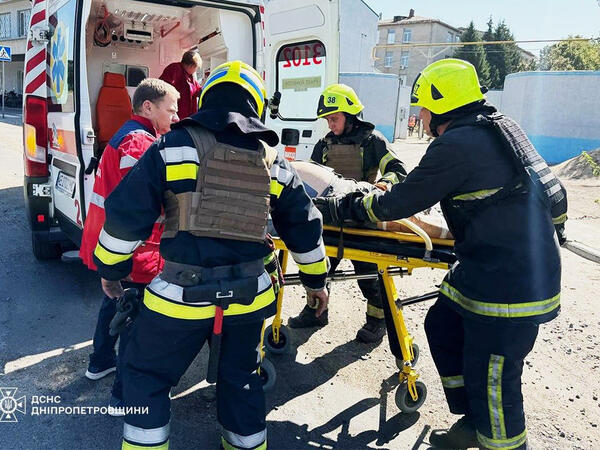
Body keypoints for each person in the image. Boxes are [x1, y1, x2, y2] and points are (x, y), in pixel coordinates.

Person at [315, 58, 567, 450]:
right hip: (493, 265)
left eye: (423, 106)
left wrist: (342, 208)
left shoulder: (457, 144)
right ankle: (473, 420)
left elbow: (393, 204)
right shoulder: (501, 127)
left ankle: (501, 442)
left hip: (509, 283)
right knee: (442, 324)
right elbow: (557, 195)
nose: (419, 114)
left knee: (495, 375)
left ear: (441, 103)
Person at [93, 60, 328, 450]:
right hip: (248, 298)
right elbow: (304, 222)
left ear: (205, 98)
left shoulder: (170, 145)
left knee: (146, 375)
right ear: (256, 102)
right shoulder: (271, 158)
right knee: (243, 381)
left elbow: (125, 217)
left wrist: (111, 270)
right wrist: (316, 283)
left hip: (179, 299)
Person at [80, 78, 180, 414]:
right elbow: (140, 204)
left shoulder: (131, 135)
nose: (177, 116)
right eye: (172, 109)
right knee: (136, 323)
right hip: (136, 248)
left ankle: (100, 362)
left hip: (115, 244)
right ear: (148, 107)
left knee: (114, 302)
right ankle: (123, 397)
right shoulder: (140, 142)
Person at [288, 83, 407, 343]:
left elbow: (398, 170)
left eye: (335, 118)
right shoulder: (324, 145)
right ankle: (315, 311)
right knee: (320, 269)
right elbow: (312, 177)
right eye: (328, 119)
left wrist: (384, 184)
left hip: (362, 218)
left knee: (370, 275)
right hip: (330, 218)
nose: (330, 124)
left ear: (351, 115)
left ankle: (376, 321)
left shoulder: (373, 141)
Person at [159, 50, 203, 119]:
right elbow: (164, 88)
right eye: (196, 67)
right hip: (175, 115)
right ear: (192, 65)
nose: (195, 70)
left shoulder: (190, 77)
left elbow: (197, 90)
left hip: (187, 117)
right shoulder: (174, 68)